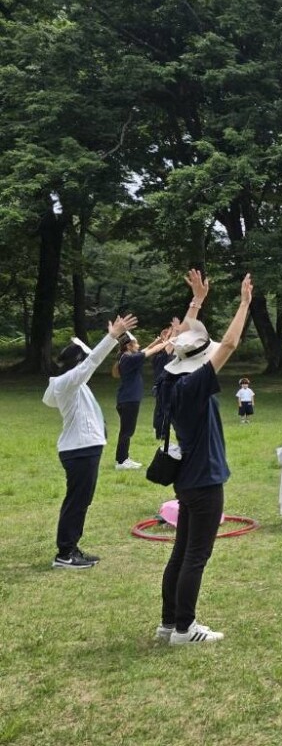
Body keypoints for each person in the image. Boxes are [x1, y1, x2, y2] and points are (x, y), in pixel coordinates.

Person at [156, 269, 251, 645]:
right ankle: (185, 628)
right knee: (197, 554)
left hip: (186, 481)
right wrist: (243, 304)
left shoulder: (168, 381)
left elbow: (184, 340)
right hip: (205, 479)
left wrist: (197, 302)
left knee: (181, 552)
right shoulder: (194, 384)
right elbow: (226, 345)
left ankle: (168, 624)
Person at [44, 314, 139, 569]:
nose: (87, 364)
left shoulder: (73, 384)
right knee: (76, 501)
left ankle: (71, 548)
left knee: (81, 500)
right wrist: (112, 337)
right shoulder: (68, 382)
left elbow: (89, 364)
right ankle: (65, 554)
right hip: (79, 451)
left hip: (82, 449)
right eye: (83, 361)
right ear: (77, 363)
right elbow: (92, 362)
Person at [112, 331, 167, 469]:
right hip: (129, 400)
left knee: (126, 430)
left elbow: (145, 350)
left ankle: (123, 458)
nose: (138, 345)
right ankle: (121, 461)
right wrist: (167, 342)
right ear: (129, 346)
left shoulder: (127, 357)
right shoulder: (130, 359)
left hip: (126, 399)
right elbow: (150, 352)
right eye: (135, 343)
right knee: (127, 431)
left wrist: (157, 342)